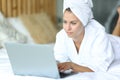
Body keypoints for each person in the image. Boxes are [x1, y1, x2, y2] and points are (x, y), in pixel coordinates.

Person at [54, 0, 114, 73]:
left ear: (84, 22)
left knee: (115, 38)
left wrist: (72, 65)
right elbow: (59, 61)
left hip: (115, 44)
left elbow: (99, 69)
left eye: (73, 23)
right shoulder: (61, 36)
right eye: (65, 22)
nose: (67, 28)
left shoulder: (98, 34)